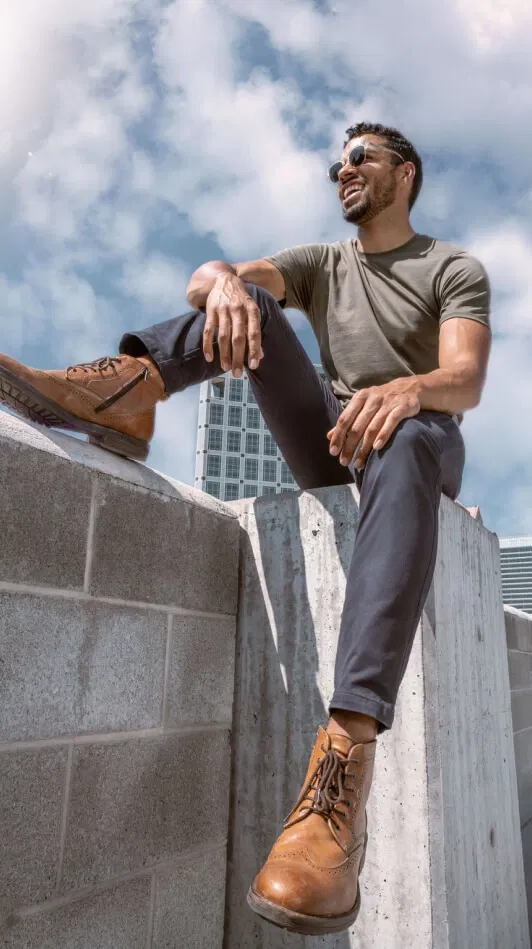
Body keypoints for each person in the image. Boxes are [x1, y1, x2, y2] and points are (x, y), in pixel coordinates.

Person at [0, 122, 491, 936]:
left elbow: (464, 378)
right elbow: (211, 278)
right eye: (338, 161)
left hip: (418, 440)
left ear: (404, 173)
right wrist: (224, 282)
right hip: (334, 439)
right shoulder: (322, 263)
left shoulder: (452, 267)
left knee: (405, 433)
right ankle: (130, 387)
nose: (342, 170)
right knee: (250, 303)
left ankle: (341, 771)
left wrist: (408, 391)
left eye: (360, 159)